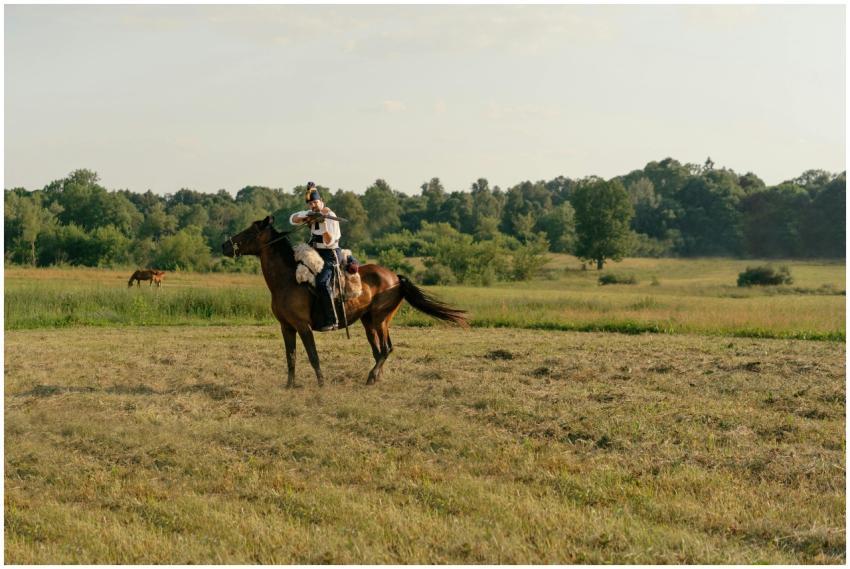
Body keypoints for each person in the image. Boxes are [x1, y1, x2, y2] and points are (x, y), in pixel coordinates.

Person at [289, 182, 343, 331]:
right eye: (311, 203)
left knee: (321, 283)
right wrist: (306, 216)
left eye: (315, 202)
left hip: (330, 254)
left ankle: (332, 320)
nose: (313, 205)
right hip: (315, 253)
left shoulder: (330, 216)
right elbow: (292, 219)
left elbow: (329, 241)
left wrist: (323, 223)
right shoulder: (310, 213)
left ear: (321, 201)